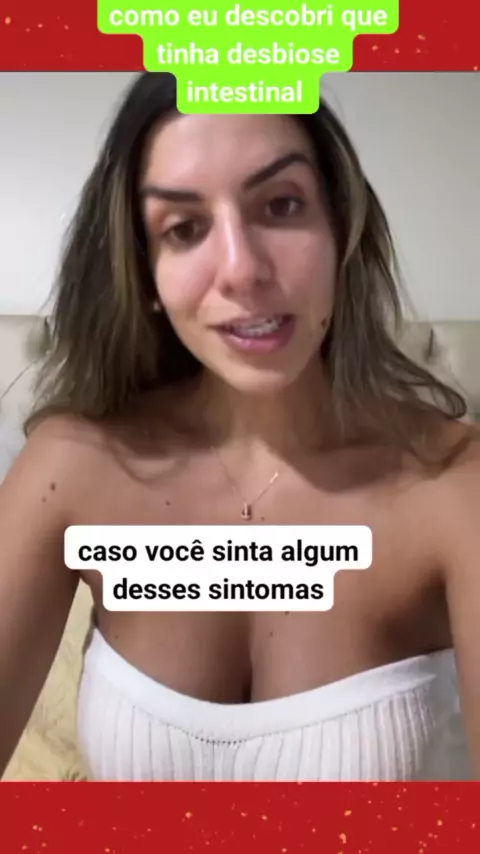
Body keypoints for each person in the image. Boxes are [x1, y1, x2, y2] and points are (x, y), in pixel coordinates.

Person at [1, 72, 479, 782]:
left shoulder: (455, 486)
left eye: (281, 205)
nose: (242, 269)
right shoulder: (72, 467)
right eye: (184, 228)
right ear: (144, 272)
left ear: (341, 230)